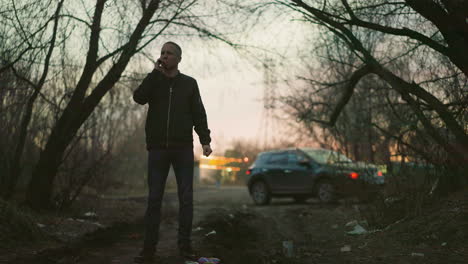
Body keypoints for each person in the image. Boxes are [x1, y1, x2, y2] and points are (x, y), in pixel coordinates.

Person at [133, 41, 212, 263]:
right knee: (154, 199)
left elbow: (199, 113)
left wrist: (204, 140)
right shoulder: (155, 81)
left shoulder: (189, 84)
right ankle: (148, 250)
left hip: (183, 149)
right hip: (157, 148)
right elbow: (138, 98)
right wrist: (153, 74)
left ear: (178, 58)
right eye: (162, 53)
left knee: (186, 198)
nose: (164, 56)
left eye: (169, 54)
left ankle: (185, 247)